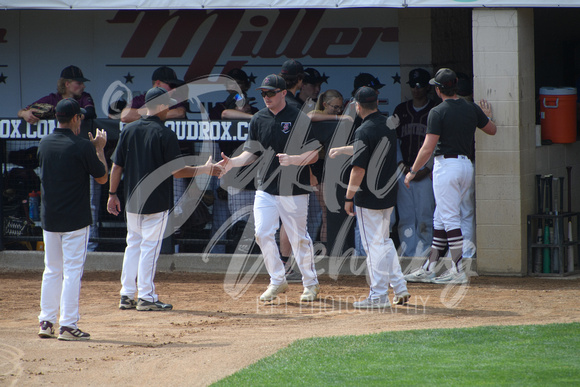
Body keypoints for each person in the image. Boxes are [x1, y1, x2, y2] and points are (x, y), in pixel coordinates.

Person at [107, 87, 222, 311]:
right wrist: (205, 169)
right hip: (156, 201)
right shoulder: (165, 134)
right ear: (159, 107)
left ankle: (127, 294)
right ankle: (147, 296)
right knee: (149, 248)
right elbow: (178, 172)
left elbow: (116, 166)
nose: (169, 108)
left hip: (132, 198)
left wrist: (112, 195)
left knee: (133, 245)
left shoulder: (129, 130)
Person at [217, 74, 321, 302]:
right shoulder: (258, 119)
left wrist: (294, 159)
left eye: (271, 93)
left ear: (284, 92)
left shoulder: (299, 117)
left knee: (298, 238)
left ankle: (310, 284)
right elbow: (251, 152)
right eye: (263, 93)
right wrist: (232, 162)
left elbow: (314, 154)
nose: (266, 97)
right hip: (265, 187)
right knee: (262, 233)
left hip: (295, 188)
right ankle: (277, 280)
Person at [404, 68, 496, 284]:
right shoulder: (471, 107)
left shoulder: (438, 111)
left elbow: (427, 148)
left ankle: (457, 270)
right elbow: (492, 129)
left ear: (438, 89)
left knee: (450, 218)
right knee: (440, 217)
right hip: (465, 166)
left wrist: (412, 172)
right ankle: (430, 267)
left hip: (447, 166)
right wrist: (486, 116)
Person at [37, 98, 108, 340]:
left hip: (50, 219)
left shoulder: (44, 144)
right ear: (75, 118)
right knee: (72, 272)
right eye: (80, 117)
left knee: (52, 271)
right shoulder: (82, 146)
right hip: (75, 220)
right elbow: (102, 178)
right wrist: (99, 148)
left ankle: (46, 322)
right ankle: (68, 325)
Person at [343, 87, 409, 308]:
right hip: (388, 193)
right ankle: (399, 287)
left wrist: (348, 196)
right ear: (377, 103)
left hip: (369, 196)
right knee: (384, 242)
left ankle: (379, 295)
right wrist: (343, 150)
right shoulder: (387, 124)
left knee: (374, 246)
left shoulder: (363, 129)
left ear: (357, 106)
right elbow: (368, 149)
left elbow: (358, 169)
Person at [393, 68, 437, 257]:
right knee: (406, 217)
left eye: (420, 85)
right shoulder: (400, 110)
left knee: (425, 217)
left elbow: (437, 143)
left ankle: (424, 254)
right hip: (404, 171)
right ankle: (408, 254)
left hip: (426, 173)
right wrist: (400, 164)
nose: (416, 89)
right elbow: (393, 141)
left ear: (428, 86)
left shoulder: (434, 110)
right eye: (413, 85)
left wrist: (426, 168)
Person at [18, 65, 96, 124]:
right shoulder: (52, 99)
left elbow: (90, 112)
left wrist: (76, 117)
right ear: (67, 84)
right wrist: (24, 113)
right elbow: (23, 111)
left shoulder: (84, 96)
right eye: (79, 83)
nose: (83, 86)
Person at [120, 66, 187, 123]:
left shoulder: (174, 100)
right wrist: (155, 111)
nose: (174, 89)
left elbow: (180, 113)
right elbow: (124, 116)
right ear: (158, 83)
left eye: (175, 86)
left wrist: (146, 113)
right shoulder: (140, 100)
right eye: (172, 85)